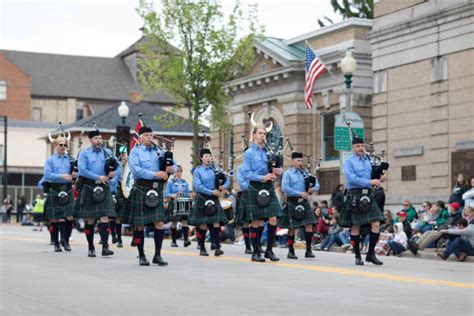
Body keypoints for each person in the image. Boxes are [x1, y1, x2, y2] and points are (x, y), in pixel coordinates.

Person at [123, 126, 175, 266]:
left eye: (151, 135)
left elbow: (173, 165)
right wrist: (155, 174)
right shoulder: (135, 152)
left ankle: (157, 255)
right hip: (141, 188)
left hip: (156, 190)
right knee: (139, 225)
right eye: (146, 135)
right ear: (140, 138)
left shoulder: (160, 151)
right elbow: (136, 170)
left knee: (159, 223)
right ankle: (141, 255)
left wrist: (171, 169)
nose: (149, 137)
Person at [339, 132, 386, 266]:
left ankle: (371, 254)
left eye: (362, 146)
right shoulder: (349, 162)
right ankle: (357, 255)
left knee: (376, 223)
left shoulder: (369, 160)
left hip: (368, 195)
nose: (361, 148)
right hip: (355, 194)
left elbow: (372, 175)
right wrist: (370, 182)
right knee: (356, 226)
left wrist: (378, 178)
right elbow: (352, 179)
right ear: (353, 148)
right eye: (358, 146)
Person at [239, 124, 283, 262]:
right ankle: (256, 251)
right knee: (256, 221)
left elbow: (276, 168)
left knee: (273, 217)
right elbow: (246, 173)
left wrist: (278, 171)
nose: (262, 135)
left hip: (268, 187)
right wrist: (262, 177)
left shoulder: (269, 152)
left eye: (264, 133)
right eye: (260, 133)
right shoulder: (249, 153)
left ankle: (269, 250)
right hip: (255, 186)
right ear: (253, 135)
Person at [77, 128, 117, 257]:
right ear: (90, 140)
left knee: (104, 217)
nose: (99, 140)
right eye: (96, 138)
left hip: (104, 187)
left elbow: (116, 167)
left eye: (100, 138)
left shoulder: (108, 152)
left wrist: (113, 174)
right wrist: (98, 177)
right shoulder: (85, 154)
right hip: (89, 187)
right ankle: (91, 247)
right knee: (90, 219)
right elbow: (82, 171)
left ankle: (105, 247)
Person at [189, 148, 230, 257]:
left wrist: (223, 186)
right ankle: (202, 248)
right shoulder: (197, 171)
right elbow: (198, 186)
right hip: (203, 198)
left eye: (209, 156)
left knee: (216, 223)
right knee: (203, 224)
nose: (208, 158)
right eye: (206, 156)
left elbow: (227, 180)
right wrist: (212, 192)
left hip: (214, 198)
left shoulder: (216, 169)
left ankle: (217, 247)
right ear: (201, 158)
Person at [279, 152, 319, 259]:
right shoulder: (288, 174)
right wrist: (299, 193)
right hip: (292, 201)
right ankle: (291, 251)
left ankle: (309, 250)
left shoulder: (306, 173)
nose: (300, 163)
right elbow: (285, 188)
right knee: (292, 227)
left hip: (304, 202)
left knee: (309, 225)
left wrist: (313, 188)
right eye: (298, 160)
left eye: (301, 160)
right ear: (292, 161)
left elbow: (316, 185)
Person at [43, 135, 77, 252]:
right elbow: (47, 175)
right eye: (60, 145)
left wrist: (74, 175)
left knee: (70, 216)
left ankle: (65, 240)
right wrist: (61, 176)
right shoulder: (50, 160)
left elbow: (76, 173)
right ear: (55, 146)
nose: (63, 147)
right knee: (54, 218)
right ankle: (56, 243)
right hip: (55, 188)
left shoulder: (71, 159)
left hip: (67, 189)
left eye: (64, 144)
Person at [165, 165, 192, 248]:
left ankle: (186, 240)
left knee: (185, 221)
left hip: (183, 202)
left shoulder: (184, 182)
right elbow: (166, 193)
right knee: (174, 222)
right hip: (174, 202)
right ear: (174, 172)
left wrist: (190, 196)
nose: (179, 172)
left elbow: (187, 192)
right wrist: (172, 195)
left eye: (180, 171)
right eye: (177, 171)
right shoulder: (171, 182)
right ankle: (173, 240)